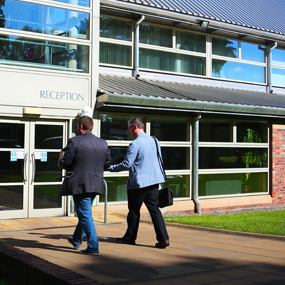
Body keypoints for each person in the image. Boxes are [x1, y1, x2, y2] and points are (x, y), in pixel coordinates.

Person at [109, 117, 170, 248]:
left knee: (134, 211)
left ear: (135, 127)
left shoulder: (135, 144)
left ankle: (130, 238)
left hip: (139, 184)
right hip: (154, 181)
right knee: (154, 210)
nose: (129, 131)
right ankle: (163, 239)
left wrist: (111, 168)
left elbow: (127, 164)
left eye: (129, 128)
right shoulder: (154, 140)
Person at [58, 116, 111, 255]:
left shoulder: (74, 141)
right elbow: (107, 164)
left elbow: (65, 162)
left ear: (80, 127)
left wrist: (61, 157)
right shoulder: (103, 143)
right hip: (96, 184)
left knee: (85, 215)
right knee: (85, 213)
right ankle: (76, 240)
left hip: (80, 185)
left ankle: (93, 247)